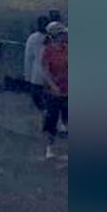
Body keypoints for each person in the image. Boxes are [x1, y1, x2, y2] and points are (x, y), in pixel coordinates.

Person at [40, 22, 68, 159]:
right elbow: (45, 71)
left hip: (67, 89)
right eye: (62, 34)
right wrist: (53, 85)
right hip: (53, 92)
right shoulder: (48, 51)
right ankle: (49, 148)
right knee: (52, 119)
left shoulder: (67, 49)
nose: (65, 36)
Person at [24, 16, 50, 117]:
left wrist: (27, 76)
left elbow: (28, 58)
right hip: (52, 75)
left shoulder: (33, 38)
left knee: (37, 98)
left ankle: (44, 113)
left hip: (37, 76)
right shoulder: (53, 38)